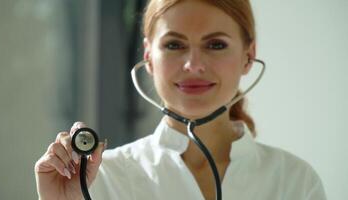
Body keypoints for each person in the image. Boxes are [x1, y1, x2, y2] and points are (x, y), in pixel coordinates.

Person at [34, 0, 327, 199]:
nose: (193, 64)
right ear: (148, 56)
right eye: (174, 44)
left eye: (216, 44)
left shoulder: (294, 181)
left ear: (248, 56)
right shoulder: (100, 181)